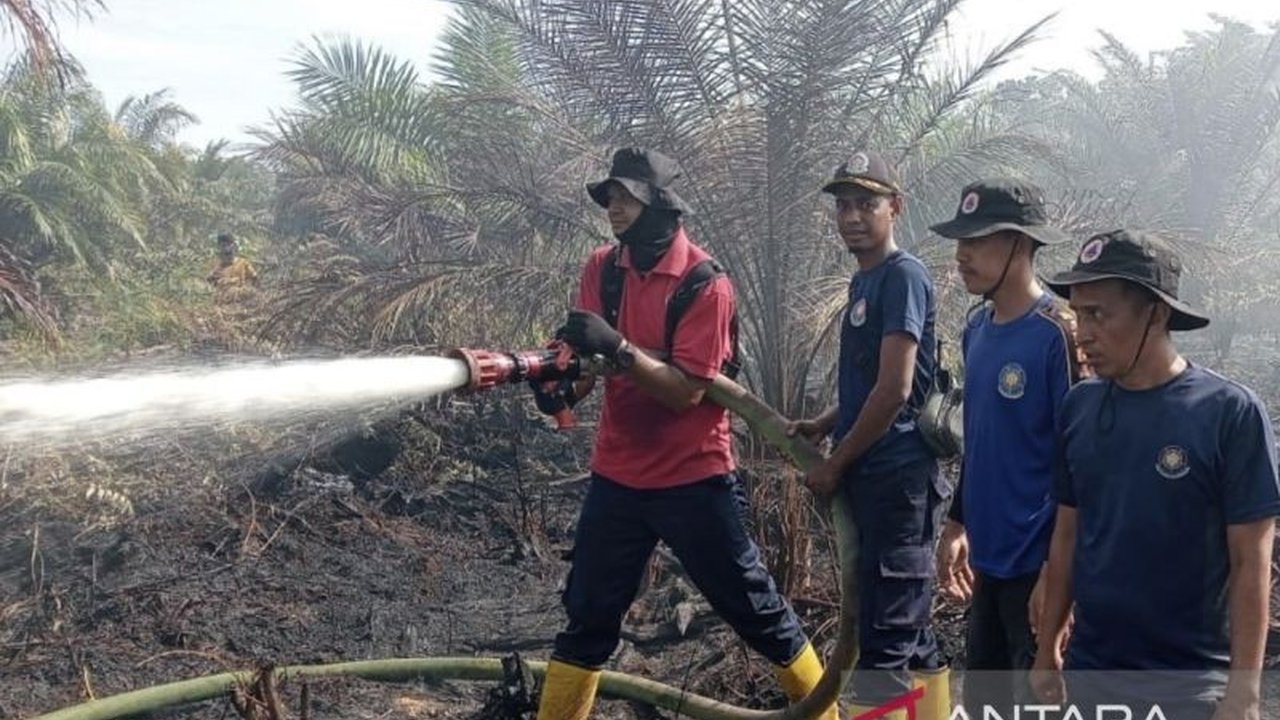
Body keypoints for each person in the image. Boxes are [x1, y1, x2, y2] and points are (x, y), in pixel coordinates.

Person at [535, 147, 838, 720]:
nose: (613, 209)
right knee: (588, 617)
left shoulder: (705, 283)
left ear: (659, 207)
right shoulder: (604, 269)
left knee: (754, 610)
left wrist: (618, 346)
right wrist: (561, 387)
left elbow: (686, 393)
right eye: (610, 198)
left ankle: (825, 712)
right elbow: (589, 365)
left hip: (693, 480)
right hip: (618, 477)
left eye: (625, 198)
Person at [1032, 230, 1280, 720]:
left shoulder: (1227, 413)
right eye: (1079, 314)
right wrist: (1047, 649)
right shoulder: (1079, 408)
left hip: (1191, 683)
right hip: (1093, 672)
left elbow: (1250, 562)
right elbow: (1067, 534)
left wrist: (1244, 691)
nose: (1082, 333)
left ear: (1156, 313)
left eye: (1098, 314)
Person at [788, 151, 949, 720]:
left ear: (895, 207)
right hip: (876, 476)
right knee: (911, 634)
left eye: (866, 204)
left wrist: (834, 464)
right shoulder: (867, 280)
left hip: (898, 480)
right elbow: (871, 385)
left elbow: (895, 390)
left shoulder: (902, 276)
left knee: (884, 647)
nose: (852, 216)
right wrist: (825, 423)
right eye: (843, 206)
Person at [929, 179, 1086, 717]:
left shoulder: (1059, 335)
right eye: (960, 241)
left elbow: (1078, 463)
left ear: (1020, 244)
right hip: (989, 561)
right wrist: (957, 524)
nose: (961, 254)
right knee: (983, 703)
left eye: (976, 240)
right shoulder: (977, 329)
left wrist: (1057, 576)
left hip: (1036, 565)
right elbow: (981, 439)